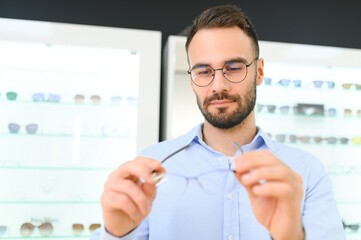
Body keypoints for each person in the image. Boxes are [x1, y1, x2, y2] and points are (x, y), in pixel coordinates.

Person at [90, 5, 345, 240]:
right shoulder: (151, 169)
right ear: (191, 79)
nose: (218, 85)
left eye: (233, 68)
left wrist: (292, 236)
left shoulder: (306, 172)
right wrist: (116, 233)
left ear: (259, 72)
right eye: (203, 71)